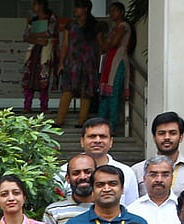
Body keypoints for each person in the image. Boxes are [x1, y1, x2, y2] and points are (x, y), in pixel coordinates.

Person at [131, 112, 184, 196]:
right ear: (154, 138)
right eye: (161, 133)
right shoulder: (137, 170)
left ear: (181, 137)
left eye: (172, 133)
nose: (167, 137)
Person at [63, 118, 139, 206]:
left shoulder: (126, 172)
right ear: (82, 141)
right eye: (92, 136)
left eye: (103, 136)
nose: (97, 140)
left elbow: (132, 207)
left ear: (111, 141)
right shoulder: (63, 171)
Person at [54, 0, 98, 128]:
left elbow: (99, 45)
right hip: (72, 62)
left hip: (88, 62)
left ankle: (82, 121)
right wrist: (61, 63)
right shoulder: (70, 25)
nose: (75, 10)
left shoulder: (94, 25)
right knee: (67, 90)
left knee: (86, 92)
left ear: (85, 9)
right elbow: (65, 45)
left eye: (78, 7)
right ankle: (59, 120)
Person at [127, 155, 182, 224]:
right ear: (144, 178)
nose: (159, 180)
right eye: (153, 175)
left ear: (172, 178)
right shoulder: (132, 210)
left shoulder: (182, 208)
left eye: (165, 175)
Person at [98, 2, 132, 131]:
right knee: (105, 94)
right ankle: (100, 125)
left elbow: (113, 43)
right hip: (110, 60)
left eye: (114, 11)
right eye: (110, 11)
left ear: (122, 12)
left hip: (118, 61)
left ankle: (111, 126)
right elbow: (105, 47)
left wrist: (107, 41)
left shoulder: (123, 26)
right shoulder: (114, 28)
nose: (111, 13)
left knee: (113, 93)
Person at [22, 0, 59, 114]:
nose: (33, 7)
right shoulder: (32, 20)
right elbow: (26, 36)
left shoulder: (51, 18)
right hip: (33, 52)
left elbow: (49, 33)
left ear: (41, 5)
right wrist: (38, 38)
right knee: (29, 79)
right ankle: (27, 106)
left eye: (35, 4)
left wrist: (35, 36)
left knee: (44, 78)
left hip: (45, 53)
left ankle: (44, 106)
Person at [44, 153, 96, 224]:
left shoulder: (109, 208)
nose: (82, 177)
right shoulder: (54, 211)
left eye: (88, 172)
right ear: (67, 178)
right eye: (76, 173)